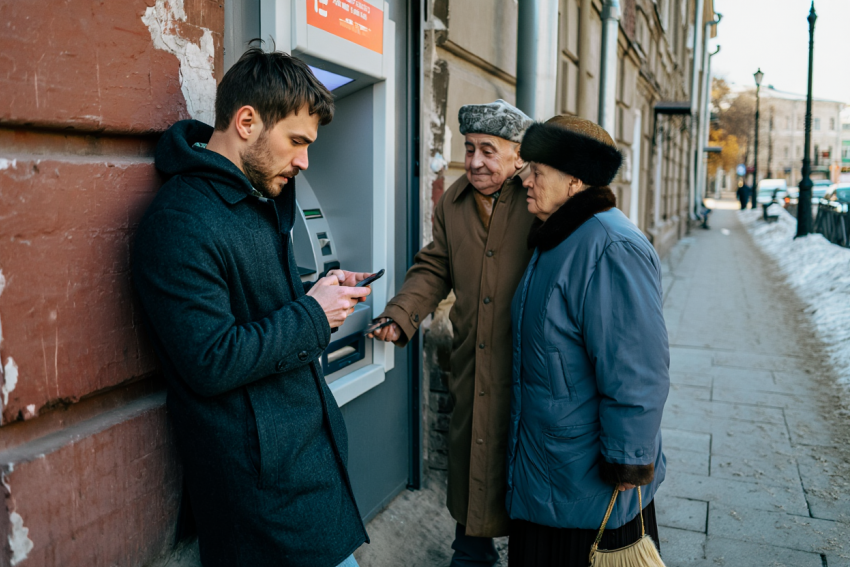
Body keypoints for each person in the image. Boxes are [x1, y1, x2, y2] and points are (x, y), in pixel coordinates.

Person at [132, 46, 372, 567]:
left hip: (305, 467)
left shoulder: (258, 194)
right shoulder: (180, 221)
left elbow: (259, 307)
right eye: (296, 141)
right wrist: (314, 314)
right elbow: (211, 359)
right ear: (246, 122)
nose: (305, 160)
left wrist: (320, 291)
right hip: (261, 494)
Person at [371, 100, 535, 566]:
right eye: (469, 148)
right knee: (472, 451)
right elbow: (435, 265)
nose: (476, 161)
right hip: (473, 355)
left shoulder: (537, 199)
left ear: (518, 155)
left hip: (527, 361)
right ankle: (472, 550)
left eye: (489, 150)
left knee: (522, 457)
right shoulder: (455, 201)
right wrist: (401, 313)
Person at [505, 115, 670, 565]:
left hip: (589, 479)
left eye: (537, 170)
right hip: (550, 462)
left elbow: (637, 368)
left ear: (575, 181)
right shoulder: (558, 237)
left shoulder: (610, 246)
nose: (526, 179)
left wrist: (627, 459)